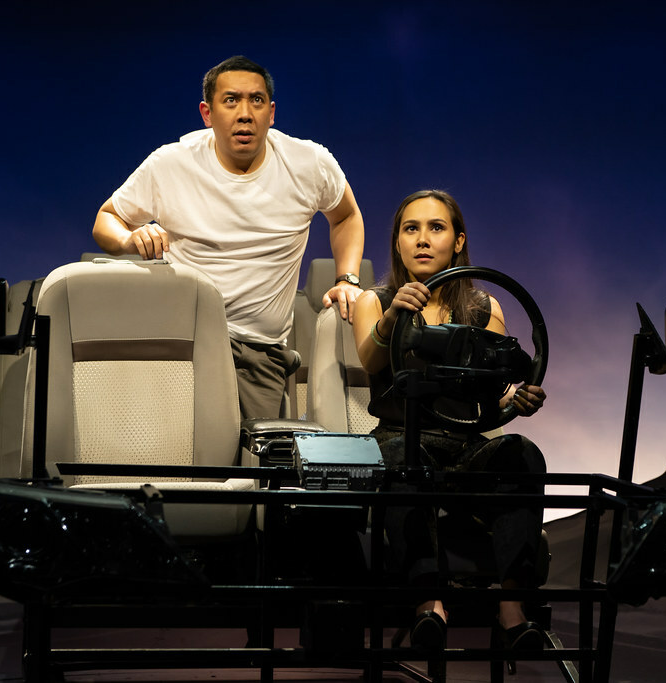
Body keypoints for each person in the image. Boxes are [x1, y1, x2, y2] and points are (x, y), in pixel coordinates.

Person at [92, 55, 365, 419]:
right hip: (183, 341)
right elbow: (106, 218)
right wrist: (130, 239)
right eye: (231, 100)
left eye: (256, 100)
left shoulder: (308, 163)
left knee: (250, 465)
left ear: (271, 112)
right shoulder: (171, 163)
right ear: (207, 113)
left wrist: (347, 278)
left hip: (259, 354)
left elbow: (345, 215)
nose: (245, 113)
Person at [352, 189, 548, 652]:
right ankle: (429, 608)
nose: (422, 239)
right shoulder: (375, 302)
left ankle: (513, 610)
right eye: (411, 229)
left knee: (523, 453)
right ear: (398, 242)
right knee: (402, 459)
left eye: (435, 228)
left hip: (467, 446)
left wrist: (515, 400)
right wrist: (395, 317)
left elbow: (494, 394)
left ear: (458, 242)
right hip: (402, 438)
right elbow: (371, 360)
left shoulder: (485, 310)